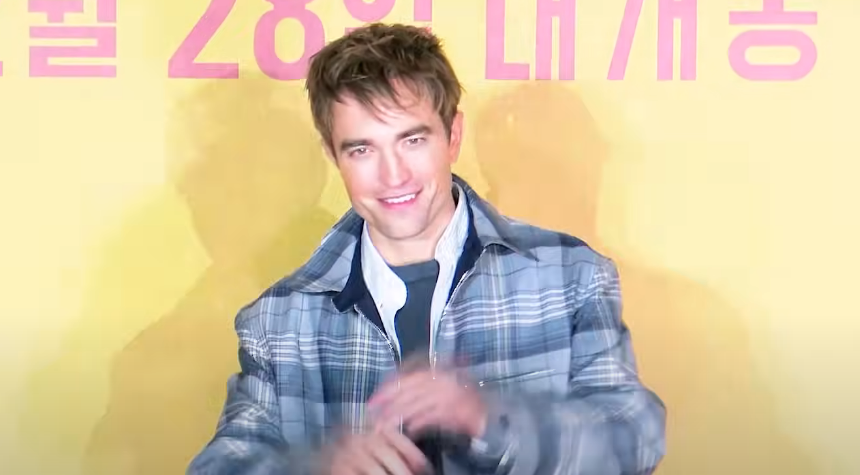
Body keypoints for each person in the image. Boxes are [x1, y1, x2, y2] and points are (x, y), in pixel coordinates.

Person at [187, 22, 666, 475]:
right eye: (362, 149)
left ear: (452, 136)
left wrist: (489, 420)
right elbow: (223, 464)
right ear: (332, 155)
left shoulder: (571, 276)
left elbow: (634, 440)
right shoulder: (276, 321)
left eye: (412, 140)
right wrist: (313, 467)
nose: (393, 175)